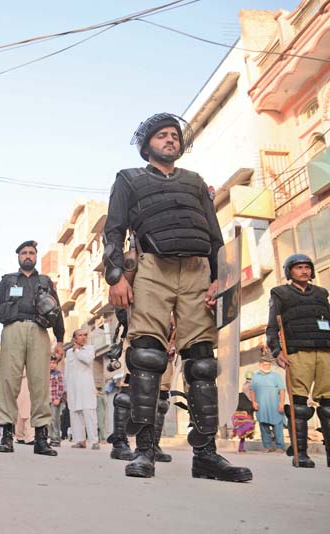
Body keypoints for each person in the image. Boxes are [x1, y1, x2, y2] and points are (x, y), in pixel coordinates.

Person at [102, 112, 251, 481]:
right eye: (162, 136)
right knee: (148, 357)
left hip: (199, 270)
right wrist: (116, 276)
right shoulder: (128, 179)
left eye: (174, 136)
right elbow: (114, 230)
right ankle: (146, 452)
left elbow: (215, 236)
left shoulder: (195, 182)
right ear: (147, 144)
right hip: (153, 268)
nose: (170, 140)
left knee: (201, 362)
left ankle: (206, 455)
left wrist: (222, 281)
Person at [0, 240, 64, 456]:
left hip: (39, 331)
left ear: (36, 256)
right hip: (12, 329)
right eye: (24, 253)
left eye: (31, 253)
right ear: (18, 256)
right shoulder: (7, 281)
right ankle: (7, 435)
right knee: (9, 382)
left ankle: (41, 437)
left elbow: (56, 311)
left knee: (39, 383)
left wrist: (60, 339)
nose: (27, 256)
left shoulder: (45, 281)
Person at [265, 252, 330, 467]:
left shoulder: (321, 294)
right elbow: (273, 326)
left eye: (307, 267)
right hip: (298, 353)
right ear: (289, 272)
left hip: (325, 351)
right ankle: (301, 454)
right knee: (299, 405)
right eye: (299, 267)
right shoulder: (280, 293)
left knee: (328, 405)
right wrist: (277, 352)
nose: (304, 271)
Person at [65, 330, 99, 450]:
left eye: (85, 335)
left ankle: (94, 441)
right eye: (80, 335)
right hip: (73, 387)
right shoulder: (69, 352)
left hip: (86, 386)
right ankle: (80, 441)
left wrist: (77, 350)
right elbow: (67, 370)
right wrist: (65, 389)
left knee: (89, 413)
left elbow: (87, 360)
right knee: (75, 413)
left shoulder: (90, 349)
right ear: (74, 338)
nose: (83, 337)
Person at [250, 354, 286, 453]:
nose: (267, 367)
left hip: (274, 405)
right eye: (265, 365)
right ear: (260, 365)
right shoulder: (255, 377)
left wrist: (281, 403)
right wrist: (253, 402)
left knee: (277, 426)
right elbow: (252, 390)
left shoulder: (275, 376)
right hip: (261, 406)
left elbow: (282, 390)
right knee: (264, 426)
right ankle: (267, 446)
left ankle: (280, 446)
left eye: (269, 365)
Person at [233, 375, 255, 454]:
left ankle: (241, 447)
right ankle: (241, 447)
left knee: (244, 433)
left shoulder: (243, 395)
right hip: (243, 415)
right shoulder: (244, 397)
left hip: (242, 415)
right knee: (245, 430)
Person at [48, 356, 65, 447]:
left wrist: (58, 398)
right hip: (47, 400)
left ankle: (56, 438)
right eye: (50, 363)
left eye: (54, 363)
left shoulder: (58, 374)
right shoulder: (46, 374)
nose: (52, 365)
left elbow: (61, 387)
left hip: (55, 400)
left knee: (55, 419)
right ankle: (51, 437)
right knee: (49, 420)